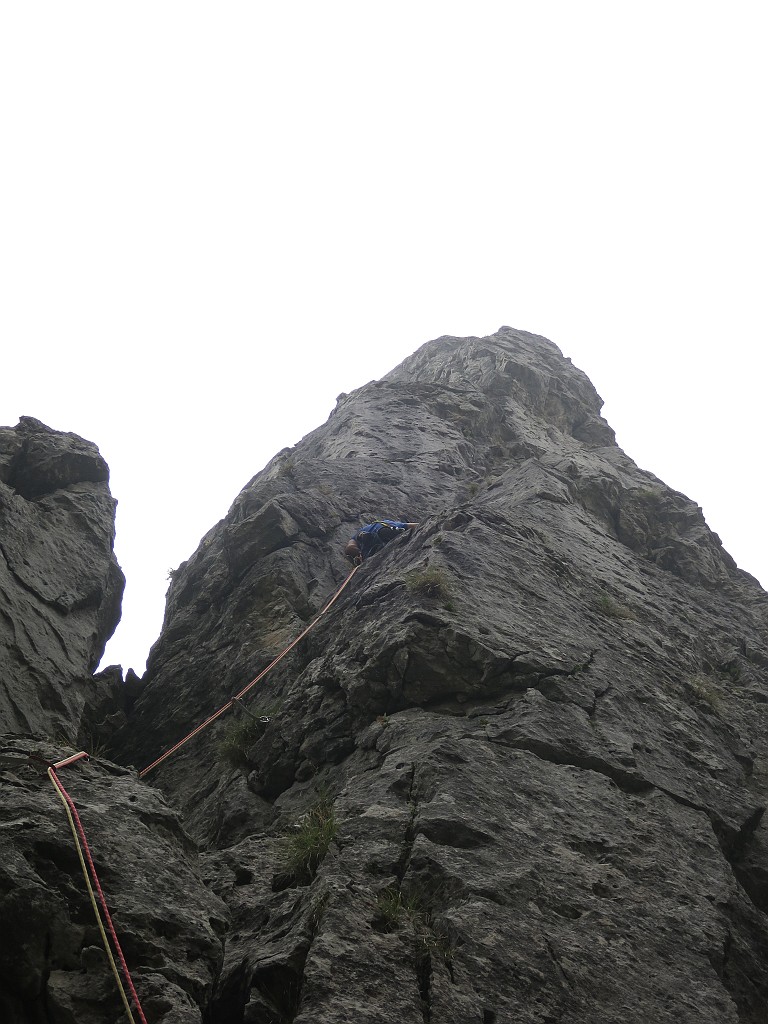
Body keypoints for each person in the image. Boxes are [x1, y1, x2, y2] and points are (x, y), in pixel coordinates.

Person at [345, 520, 418, 564]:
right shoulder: (387, 522)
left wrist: (357, 553)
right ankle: (392, 533)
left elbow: (350, 546)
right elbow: (412, 525)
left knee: (371, 548)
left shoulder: (360, 532)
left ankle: (376, 545)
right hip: (384, 529)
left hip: (369, 544)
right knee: (383, 534)